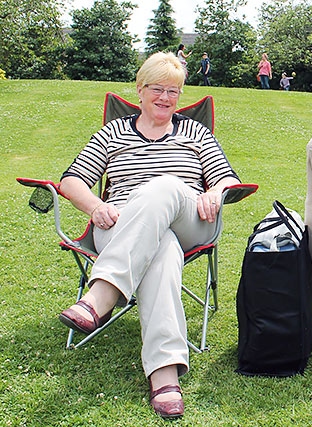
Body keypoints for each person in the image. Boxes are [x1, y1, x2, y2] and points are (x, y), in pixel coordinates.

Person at [57, 52, 241, 419]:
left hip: (188, 218)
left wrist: (215, 192)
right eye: (157, 89)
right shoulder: (113, 132)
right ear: (140, 90)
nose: (165, 98)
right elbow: (71, 181)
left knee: (166, 188)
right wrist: (95, 206)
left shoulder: (195, 132)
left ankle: (103, 294)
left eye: (173, 91)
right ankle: (165, 375)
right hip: (121, 226)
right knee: (161, 251)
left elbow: (227, 178)